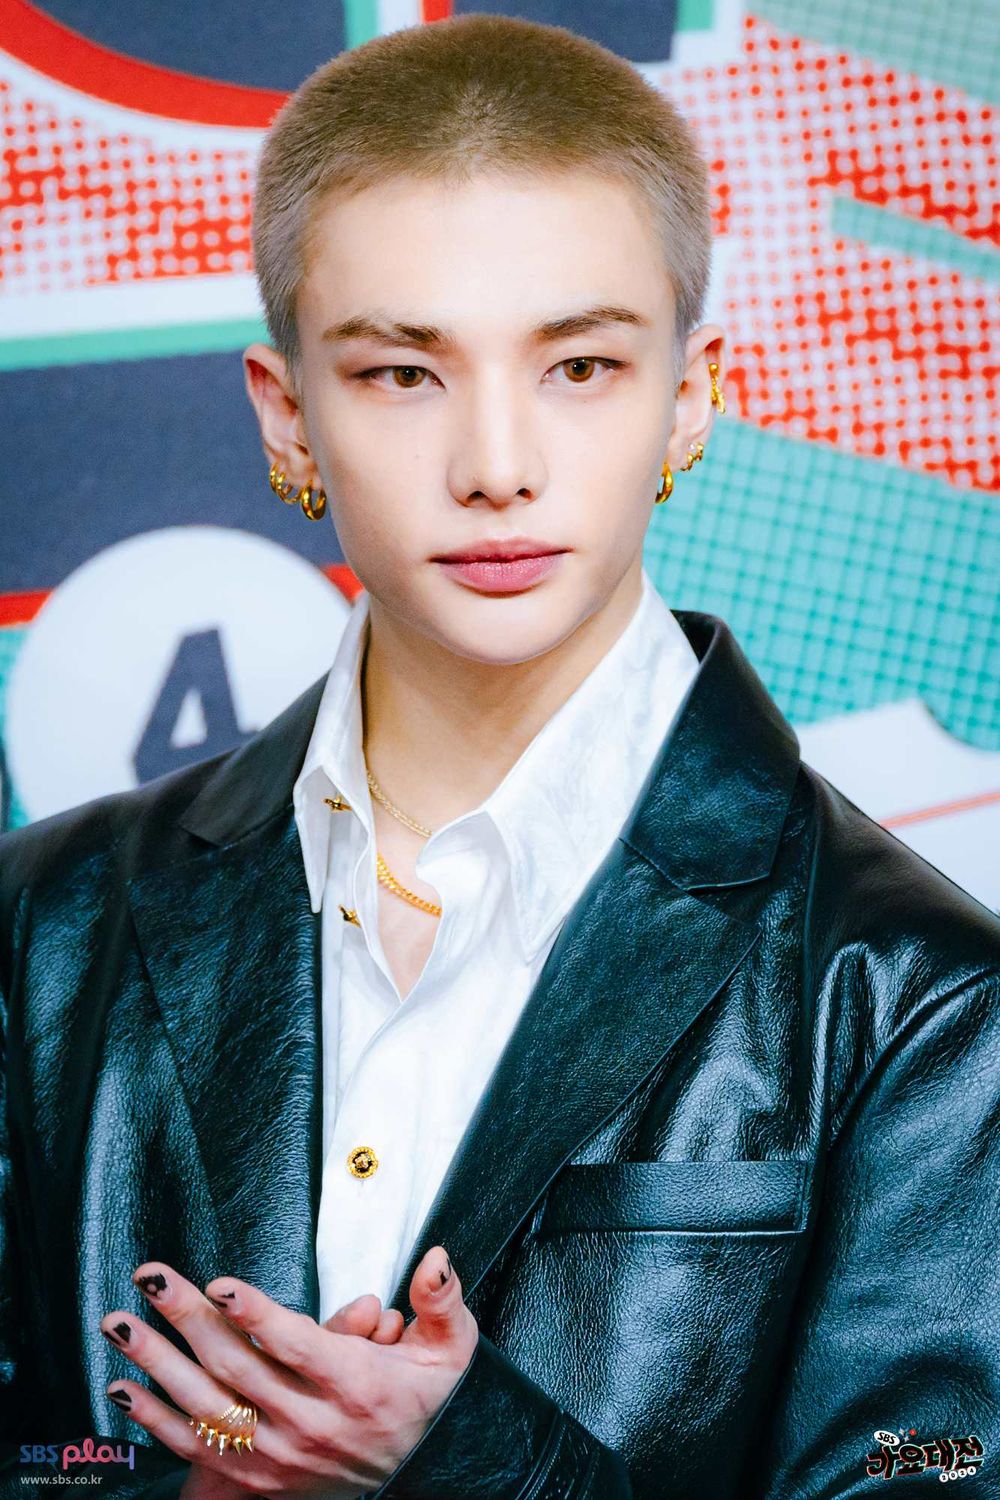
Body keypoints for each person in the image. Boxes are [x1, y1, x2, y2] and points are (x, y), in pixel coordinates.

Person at [1, 12, 999, 1499]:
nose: (496, 466)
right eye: (404, 375)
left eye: (580, 366)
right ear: (289, 417)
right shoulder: (45, 923)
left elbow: (940, 1470)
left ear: (689, 397)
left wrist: (464, 1465)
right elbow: (42, 1446)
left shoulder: (914, 991)